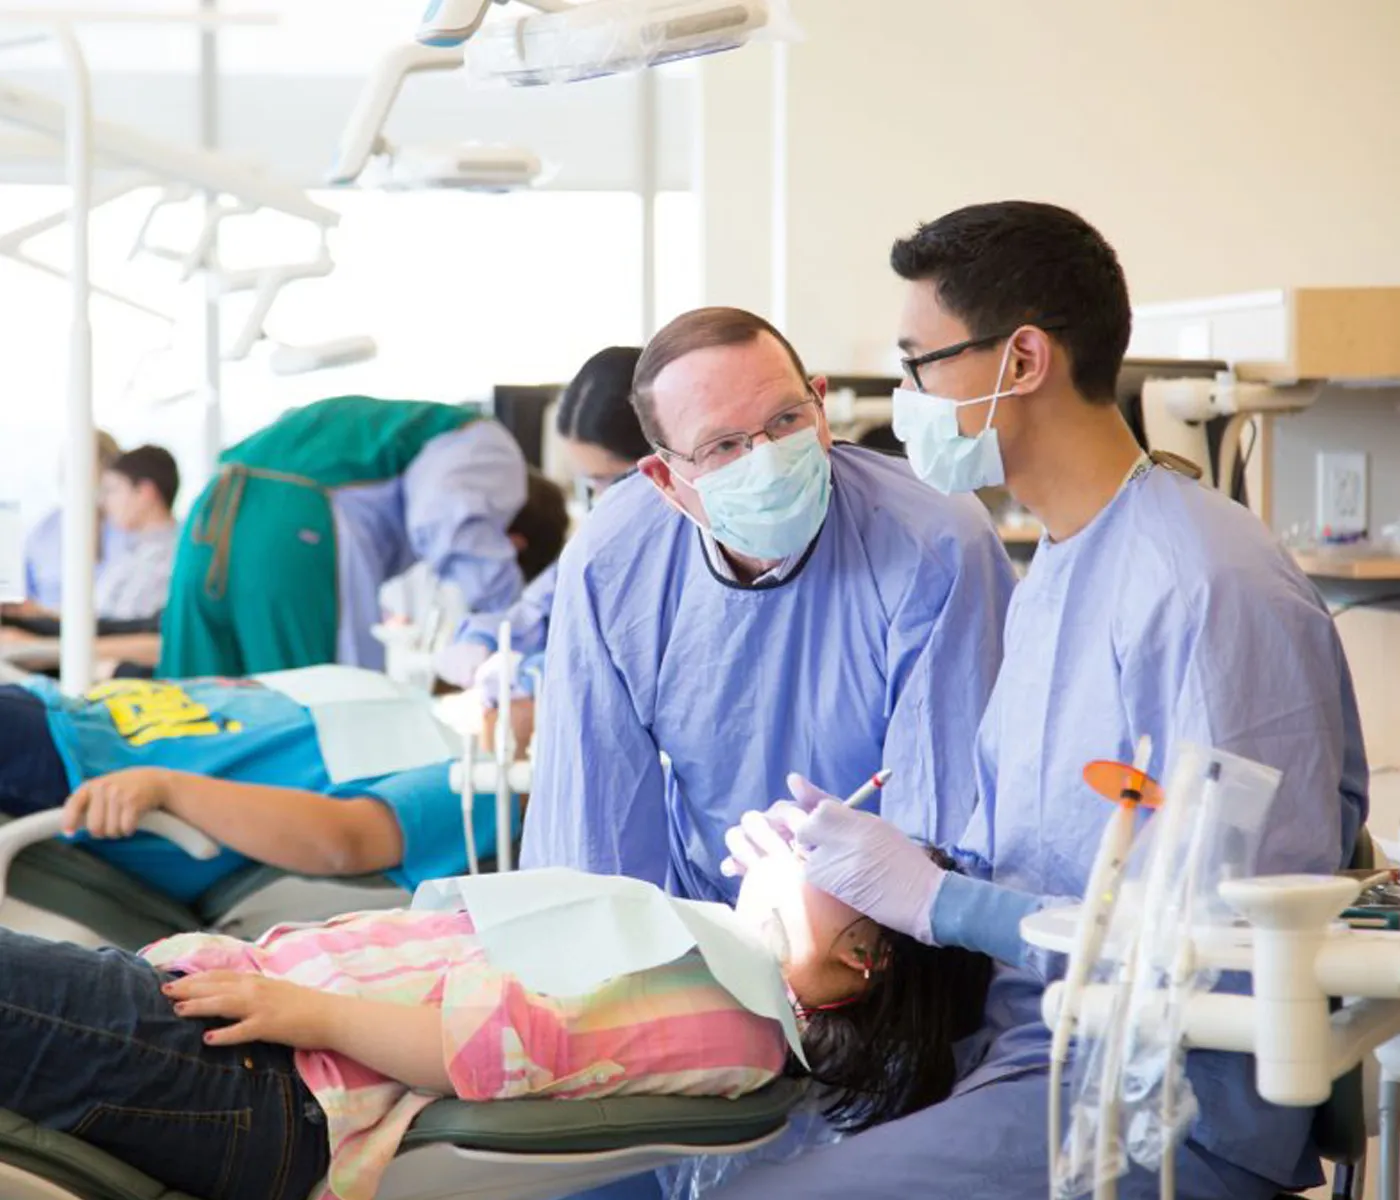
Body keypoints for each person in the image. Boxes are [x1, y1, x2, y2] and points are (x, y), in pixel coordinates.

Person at [720, 202, 1369, 1200]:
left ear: (1020, 361)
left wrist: (934, 898)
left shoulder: (1202, 588)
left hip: (1159, 1108)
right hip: (1037, 1053)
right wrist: (844, 879)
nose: (904, 400)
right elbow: (1037, 860)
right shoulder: (1056, 566)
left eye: (917, 364)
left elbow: (1225, 946)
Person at [0, 854, 992, 1200]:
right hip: (252, 1024)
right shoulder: (707, 951)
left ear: (867, 956)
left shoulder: (725, 1017)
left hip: (269, 1078)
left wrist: (301, 1006)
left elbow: (487, 1047)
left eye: (834, 864)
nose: (796, 845)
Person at [522, 307, 1017, 905]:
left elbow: (945, 813)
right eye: (723, 446)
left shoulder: (935, 541)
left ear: (822, 409)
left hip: (887, 925)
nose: (767, 460)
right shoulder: (613, 561)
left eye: (786, 420)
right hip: (709, 909)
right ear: (663, 477)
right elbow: (592, 831)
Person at [0, 667, 505, 902]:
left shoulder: (479, 779)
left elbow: (343, 840)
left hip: (74, 762)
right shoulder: (392, 693)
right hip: (62, 714)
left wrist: (165, 787)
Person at [158, 396, 569, 678]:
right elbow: (450, 523)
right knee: (322, 710)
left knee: (200, 701)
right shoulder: (490, 446)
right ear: (514, 543)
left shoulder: (390, 429)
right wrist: (505, 629)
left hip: (210, 515)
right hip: (292, 531)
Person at [435, 344, 649, 690]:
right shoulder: (606, 535)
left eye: (604, 480)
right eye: (588, 484)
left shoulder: (685, 544)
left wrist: (531, 671)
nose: (599, 499)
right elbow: (542, 604)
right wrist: (483, 636)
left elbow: (630, 669)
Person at [16, 428, 129, 613]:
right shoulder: (44, 530)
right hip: (43, 630)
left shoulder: (128, 528)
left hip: (108, 632)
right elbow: (23, 595)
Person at [96, 444, 180, 622]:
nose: (105, 502)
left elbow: (129, 629)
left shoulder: (171, 557)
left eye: (113, 490)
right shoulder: (134, 551)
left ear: (144, 492)